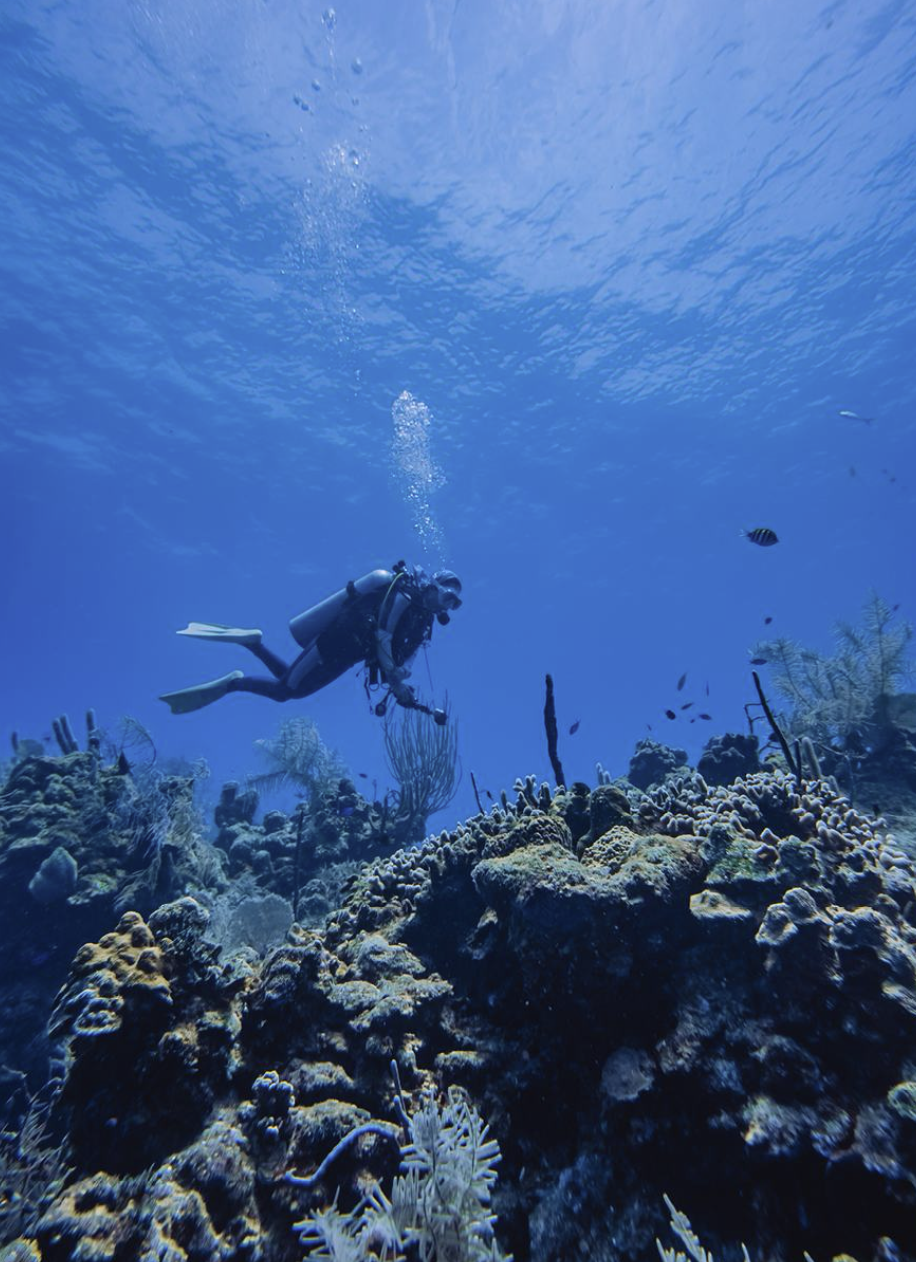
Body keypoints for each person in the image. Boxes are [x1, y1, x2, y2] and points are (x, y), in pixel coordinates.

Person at [159, 561, 462, 724]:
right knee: (284, 691)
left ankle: (253, 644)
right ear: (434, 586)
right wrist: (396, 680)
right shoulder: (405, 596)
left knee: (293, 688)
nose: (448, 605)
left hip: (346, 657)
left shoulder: (423, 621)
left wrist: (400, 683)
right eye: (448, 596)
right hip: (333, 643)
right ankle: (233, 683)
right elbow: (383, 634)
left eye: (455, 603)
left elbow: (399, 660)